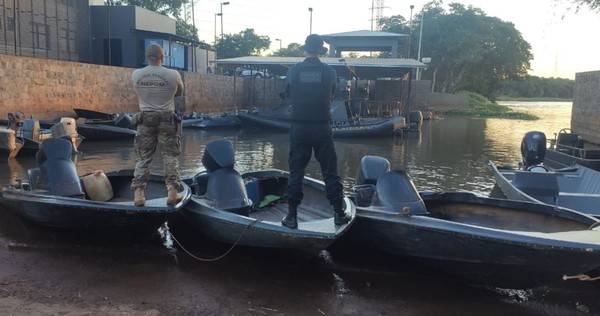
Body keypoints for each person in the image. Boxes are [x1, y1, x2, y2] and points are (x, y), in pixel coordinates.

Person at [281, 34, 351, 229]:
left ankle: (292, 217)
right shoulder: (330, 72)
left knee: (296, 172)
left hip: (299, 128)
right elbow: (333, 93)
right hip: (322, 128)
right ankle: (338, 213)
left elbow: (285, 92)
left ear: (305, 49)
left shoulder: (293, 72)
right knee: (330, 172)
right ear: (321, 51)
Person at [130, 42, 184, 206]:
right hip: (167, 119)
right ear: (162, 57)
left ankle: (139, 194)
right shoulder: (173, 74)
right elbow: (179, 92)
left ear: (147, 57)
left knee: (144, 157)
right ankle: (172, 192)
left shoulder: (136, 74)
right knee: (170, 156)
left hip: (145, 119)